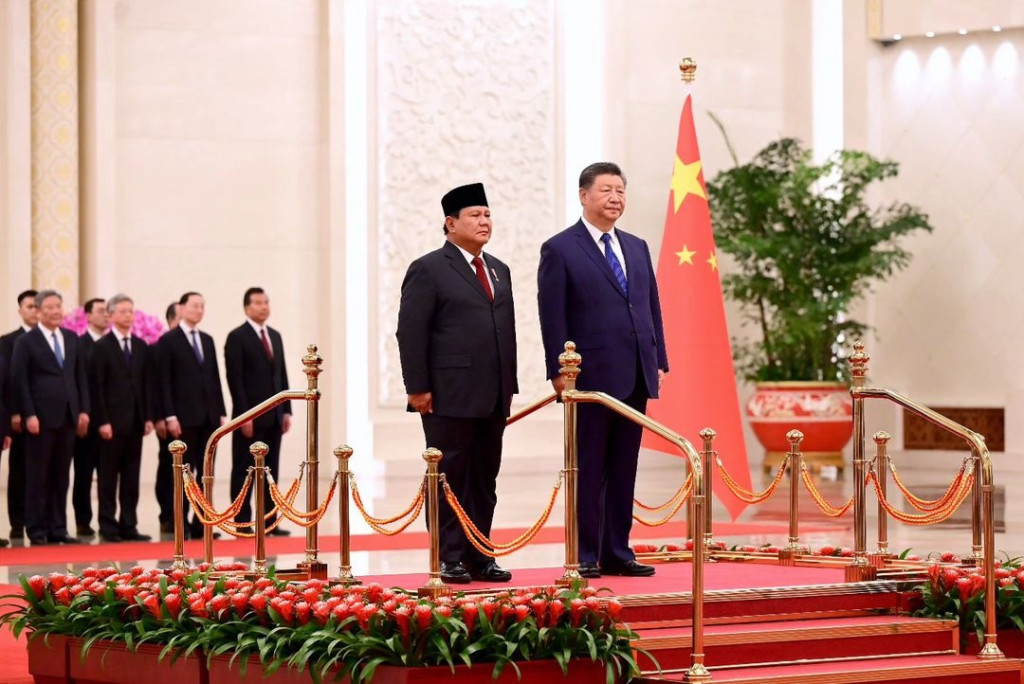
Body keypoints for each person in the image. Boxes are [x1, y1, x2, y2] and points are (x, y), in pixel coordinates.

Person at [537, 162, 668, 578]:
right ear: (583, 195)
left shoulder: (637, 246)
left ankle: (617, 550)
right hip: (588, 376)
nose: (615, 198)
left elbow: (650, 307)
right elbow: (551, 314)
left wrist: (658, 357)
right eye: (606, 190)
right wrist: (558, 370)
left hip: (634, 373)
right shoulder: (560, 248)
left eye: (621, 191)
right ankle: (586, 553)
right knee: (589, 466)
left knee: (624, 465)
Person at [396, 182, 518, 584]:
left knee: (485, 479)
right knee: (449, 476)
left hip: (493, 394)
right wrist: (417, 388)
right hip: (447, 395)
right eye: (475, 216)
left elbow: (506, 331)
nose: (484, 222)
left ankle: (480, 555)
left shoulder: (499, 269)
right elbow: (411, 332)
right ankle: (449, 556)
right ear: (451, 223)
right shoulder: (429, 268)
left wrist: (509, 385)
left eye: (487, 215)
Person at [11, 290, 90, 545]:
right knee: (38, 476)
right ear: (38, 310)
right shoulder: (27, 341)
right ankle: (36, 529)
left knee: (61, 475)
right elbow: (19, 381)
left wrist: (83, 411)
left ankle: (58, 528)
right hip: (40, 419)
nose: (56, 311)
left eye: (59, 306)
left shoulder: (71, 338)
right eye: (50, 307)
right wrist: (29, 414)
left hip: (68, 416)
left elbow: (80, 378)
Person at [156, 292, 226, 539]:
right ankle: (178, 521)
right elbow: (164, 381)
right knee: (182, 471)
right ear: (182, 309)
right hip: (182, 417)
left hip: (208, 416)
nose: (199, 310)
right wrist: (170, 415)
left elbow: (214, 377)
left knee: (205, 470)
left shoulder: (207, 340)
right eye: (195, 306)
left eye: (202, 306)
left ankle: (202, 521)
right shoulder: (168, 340)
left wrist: (220, 412)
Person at [224, 287, 292, 534]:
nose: (264, 306)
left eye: (266, 302)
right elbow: (236, 380)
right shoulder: (237, 337)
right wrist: (245, 416)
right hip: (249, 417)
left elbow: (281, 375)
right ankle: (242, 522)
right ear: (247, 307)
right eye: (258, 303)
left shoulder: (274, 336)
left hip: (274, 416)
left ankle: (269, 521)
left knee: (270, 471)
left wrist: (286, 411)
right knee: (244, 470)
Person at [88, 294, 155, 542]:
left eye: (131, 311)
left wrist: (148, 416)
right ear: (112, 315)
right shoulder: (101, 347)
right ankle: (108, 525)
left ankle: (129, 524)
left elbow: (145, 384)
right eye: (123, 311)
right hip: (111, 423)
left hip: (135, 421)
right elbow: (97, 387)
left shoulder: (140, 346)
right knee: (108, 476)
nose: (128, 315)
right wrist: (102, 420)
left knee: (131, 476)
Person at [0, 289, 38, 540]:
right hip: (19, 418)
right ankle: (17, 522)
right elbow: (8, 381)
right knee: (20, 471)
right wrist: (14, 412)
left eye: (38, 306)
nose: (34, 311)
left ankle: (42, 524)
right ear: (20, 310)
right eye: (29, 306)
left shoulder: (56, 339)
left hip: (49, 415)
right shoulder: (8, 341)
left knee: (43, 474)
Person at [72, 297, 108, 536]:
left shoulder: (112, 344)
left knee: (106, 474)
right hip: (86, 420)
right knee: (84, 473)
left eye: (108, 311)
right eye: (101, 311)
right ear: (88, 316)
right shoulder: (78, 345)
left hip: (108, 421)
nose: (106, 315)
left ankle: (107, 521)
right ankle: (83, 521)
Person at [154, 301, 181, 532]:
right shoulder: (164, 343)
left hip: (194, 417)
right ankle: (168, 515)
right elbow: (159, 384)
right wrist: (162, 416)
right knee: (168, 468)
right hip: (170, 418)